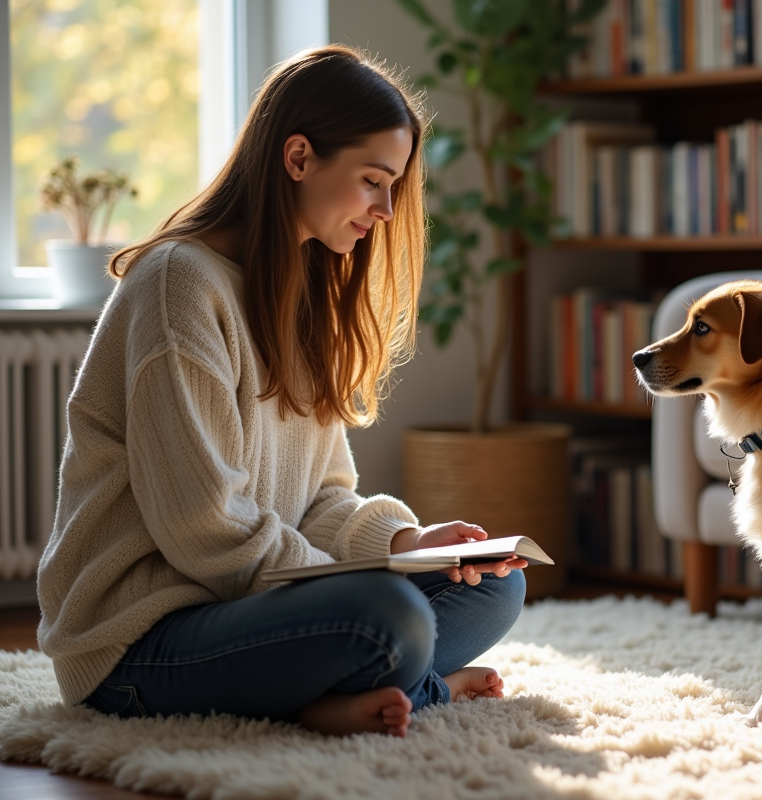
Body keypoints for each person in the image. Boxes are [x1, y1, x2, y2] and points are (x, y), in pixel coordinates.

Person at [36, 44, 526, 738]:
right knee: (392, 616)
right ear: (298, 159)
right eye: (372, 181)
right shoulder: (179, 284)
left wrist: (410, 542)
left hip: (246, 603)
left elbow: (320, 498)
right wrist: (365, 583)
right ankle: (415, 688)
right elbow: (204, 529)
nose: (386, 210)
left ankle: (342, 687)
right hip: (138, 644)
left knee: (494, 585)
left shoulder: (300, 290)